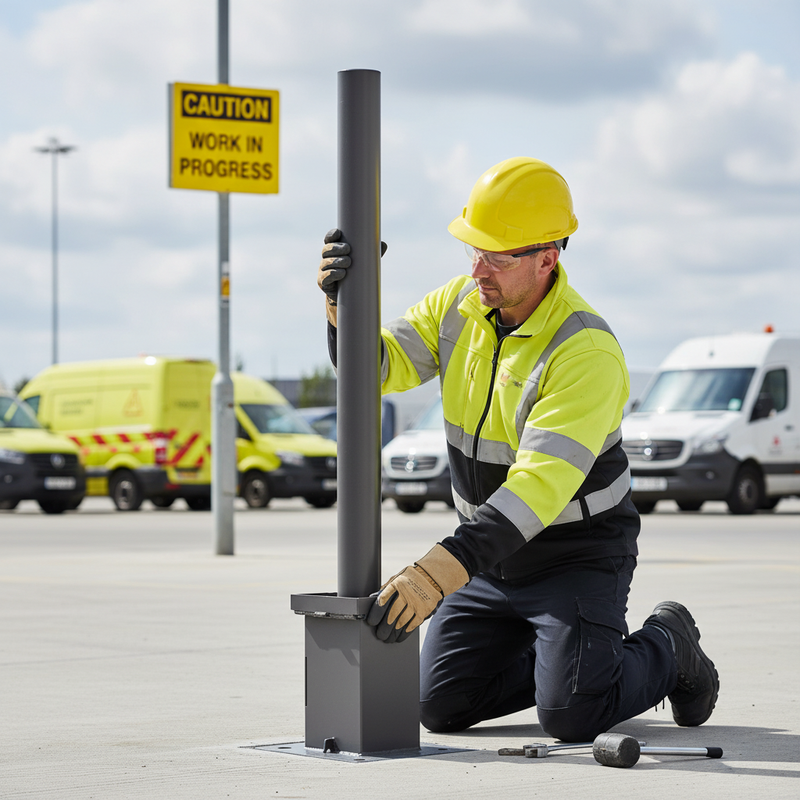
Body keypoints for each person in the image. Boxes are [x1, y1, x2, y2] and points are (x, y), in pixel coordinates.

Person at [317, 157, 719, 742]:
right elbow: (377, 368)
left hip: (573, 554)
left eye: (497, 256)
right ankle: (572, 658)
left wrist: (433, 575)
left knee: (572, 716)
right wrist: (340, 312)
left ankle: (669, 643)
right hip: (491, 559)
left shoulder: (585, 351)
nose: (478, 267)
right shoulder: (459, 305)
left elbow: (537, 490)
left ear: (546, 259)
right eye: (473, 250)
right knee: (439, 706)